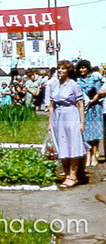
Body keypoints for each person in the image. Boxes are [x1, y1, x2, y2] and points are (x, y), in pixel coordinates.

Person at [49, 60, 89, 188]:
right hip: (58, 117)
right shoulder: (53, 85)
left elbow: (80, 105)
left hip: (71, 115)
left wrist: (82, 122)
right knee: (62, 145)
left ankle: (73, 175)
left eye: (63, 69)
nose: (60, 71)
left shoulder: (74, 85)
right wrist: (50, 122)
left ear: (69, 71)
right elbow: (51, 106)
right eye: (58, 69)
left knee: (73, 145)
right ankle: (66, 174)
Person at [76, 59, 103, 167]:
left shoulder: (95, 79)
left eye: (84, 67)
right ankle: (87, 155)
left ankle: (94, 155)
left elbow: (99, 92)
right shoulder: (77, 80)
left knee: (95, 132)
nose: (82, 70)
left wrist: (92, 101)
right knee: (85, 133)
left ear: (88, 68)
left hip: (94, 108)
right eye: (80, 68)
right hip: (82, 109)